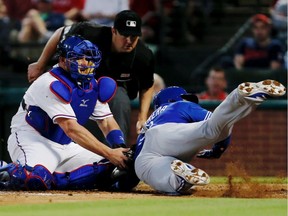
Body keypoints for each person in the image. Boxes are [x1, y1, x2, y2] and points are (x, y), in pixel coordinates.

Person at [0, 36, 129, 190]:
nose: (85, 63)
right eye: (79, 58)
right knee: (33, 180)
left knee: (116, 171)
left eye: (88, 59)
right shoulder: (49, 83)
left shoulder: (92, 85)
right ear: (62, 60)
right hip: (33, 138)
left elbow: (107, 121)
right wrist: (109, 152)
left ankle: (52, 177)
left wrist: (120, 148)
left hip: (67, 145)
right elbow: (70, 128)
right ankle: (5, 169)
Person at [116, 79, 286, 195]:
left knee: (170, 183)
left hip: (143, 159)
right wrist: (218, 149)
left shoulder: (152, 118)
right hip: (166, 135)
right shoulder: (180, 105)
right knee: (213, 130)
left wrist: (120, 184)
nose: (190, 100)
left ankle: (182, 178)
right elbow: (214, 124)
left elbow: (130, 173)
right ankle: (240, 97)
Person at [27, 10, 155, 143]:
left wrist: (142, 117)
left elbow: (147, 85)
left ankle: (116, 153)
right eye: (125, 35)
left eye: (133, 37)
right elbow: (61, 32)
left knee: (120, 101)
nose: (129, 41)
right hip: (75, 79)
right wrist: (40, 64)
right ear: (113, 31)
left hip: (110, 86)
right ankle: (43, 141)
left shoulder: (143, 55)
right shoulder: (92, 33)